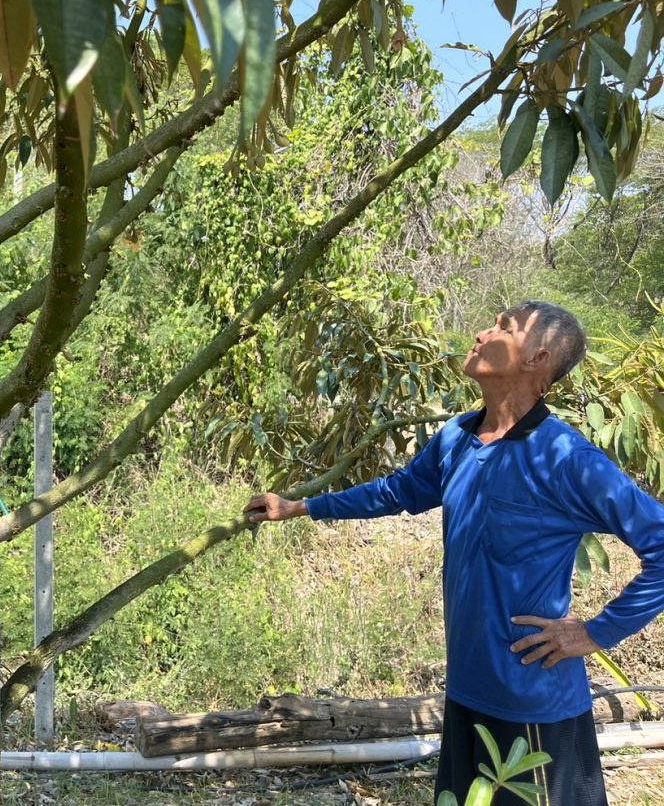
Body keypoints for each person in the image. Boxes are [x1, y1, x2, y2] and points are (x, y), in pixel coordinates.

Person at [246, 301, 664, 806]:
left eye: (504, 328)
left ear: (537, 358)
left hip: (533, 708)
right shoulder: (457, 440)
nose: (483, 332)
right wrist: (299, 506)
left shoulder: (568, 461)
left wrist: (596, 632)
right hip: (466, 691)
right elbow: (396, 492)